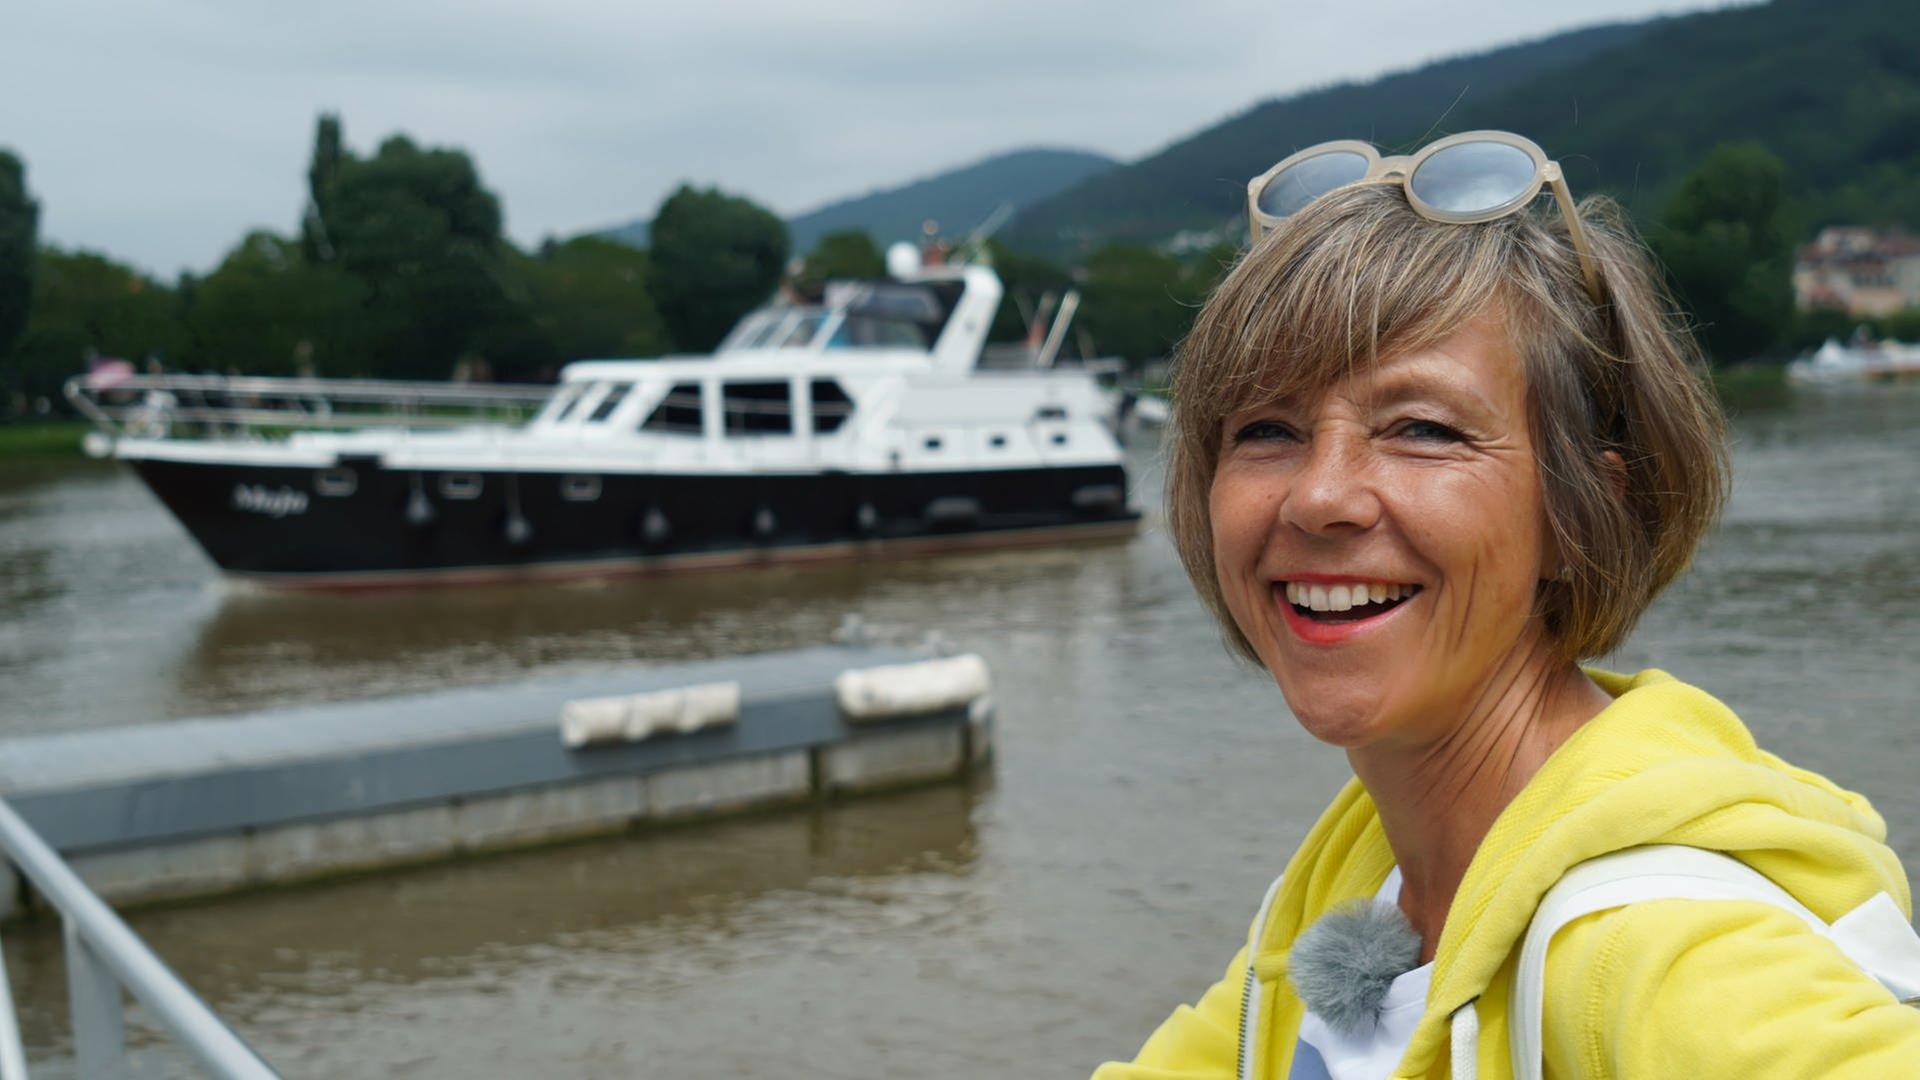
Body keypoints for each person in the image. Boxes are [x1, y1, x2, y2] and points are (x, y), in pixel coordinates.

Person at [1094, 132, 1920, 1079]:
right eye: (1267, 430)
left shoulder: (1655, 956)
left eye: (1422, 429)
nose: (1319, 496)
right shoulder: (1361, 890)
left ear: (1584, 509)